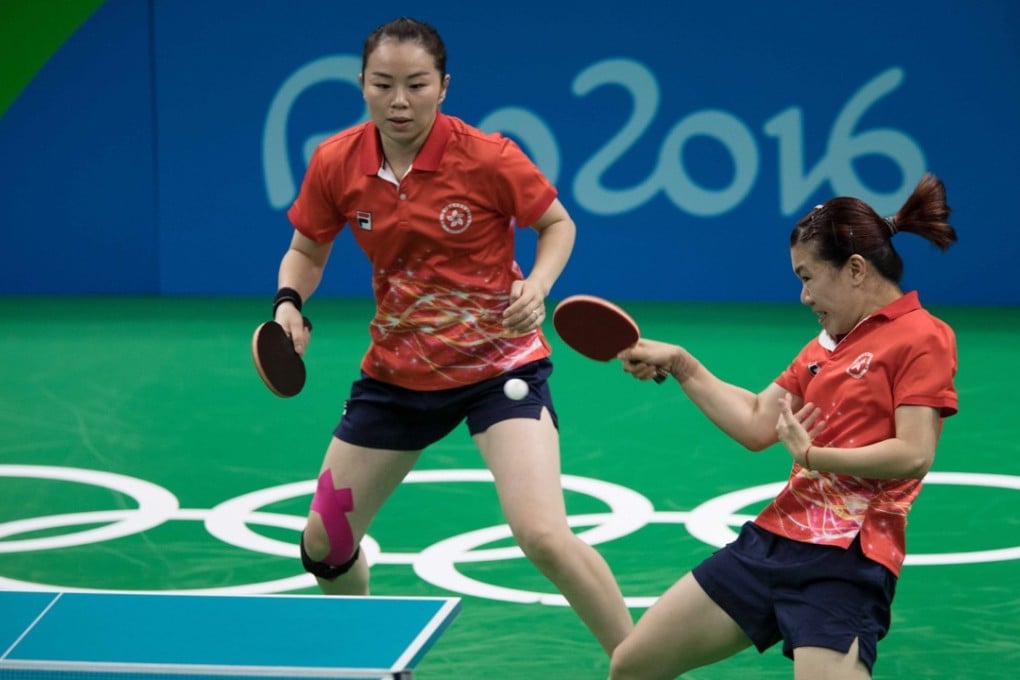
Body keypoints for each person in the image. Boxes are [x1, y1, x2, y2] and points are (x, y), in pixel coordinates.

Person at [270, 17, 633, 656]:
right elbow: (307, 246)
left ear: (444, 86)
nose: (399, 100)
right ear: (362, 85)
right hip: (396, 377)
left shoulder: (488, 156)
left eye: (416, 84)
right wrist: (288, 303)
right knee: (324, 541)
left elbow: (556, 223)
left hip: (501, 371)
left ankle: (640, 663)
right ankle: (364, 656)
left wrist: (539, 283)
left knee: (543, 533)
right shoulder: (337, 162)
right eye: (383, 84)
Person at [608, 173, 959, 679]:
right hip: (771, 542)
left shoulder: (923, 336)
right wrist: (683, 364)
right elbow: (756, 421)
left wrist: (816, 456)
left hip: (845, 564)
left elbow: (914, 453)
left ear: (855, 270)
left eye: (807, 277)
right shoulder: (826, 344)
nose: (803, 296)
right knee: (633, 664)